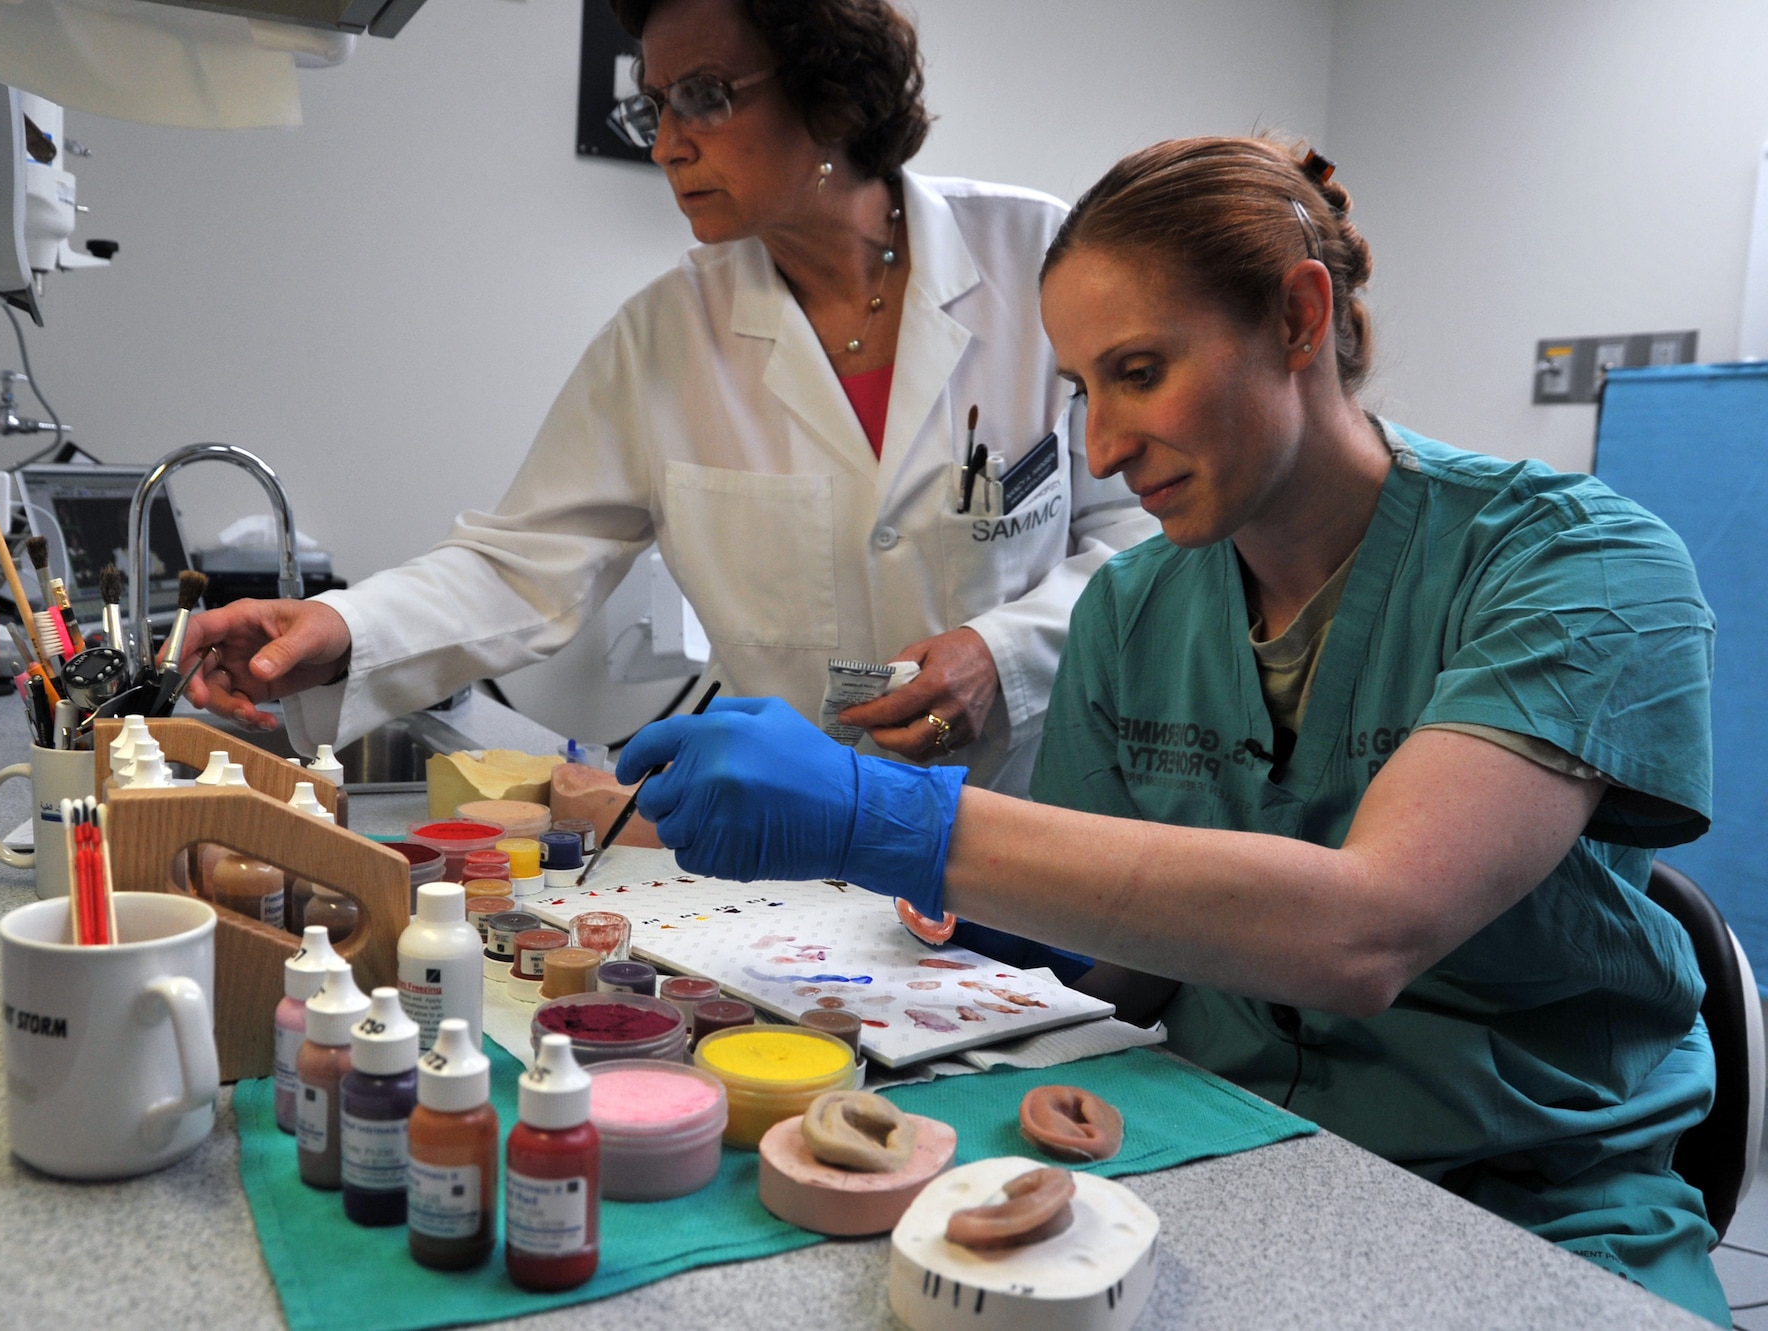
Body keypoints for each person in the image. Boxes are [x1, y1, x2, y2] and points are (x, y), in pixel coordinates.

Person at [614, 136, 1727, 1322]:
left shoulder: (1574, 565)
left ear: (1300, 318)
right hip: (1220, 1150)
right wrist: (959, 923)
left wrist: (871, 816)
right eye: (1080, 390)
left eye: (1137, 371)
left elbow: (1366, 929)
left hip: (1530, 1206)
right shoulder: (1133, 604)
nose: (1097, 448)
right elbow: (1134, 955)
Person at [181, 0, 1153, 801]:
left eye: (704, 97)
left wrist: (1002, 652)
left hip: (1029, 818)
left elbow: (1139, 535)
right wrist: (343, 626)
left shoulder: (1036, 258)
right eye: (658, 107)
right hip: (802, 836)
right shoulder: (663, 338)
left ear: (832, 96)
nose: (668, 146)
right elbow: (521, 564)